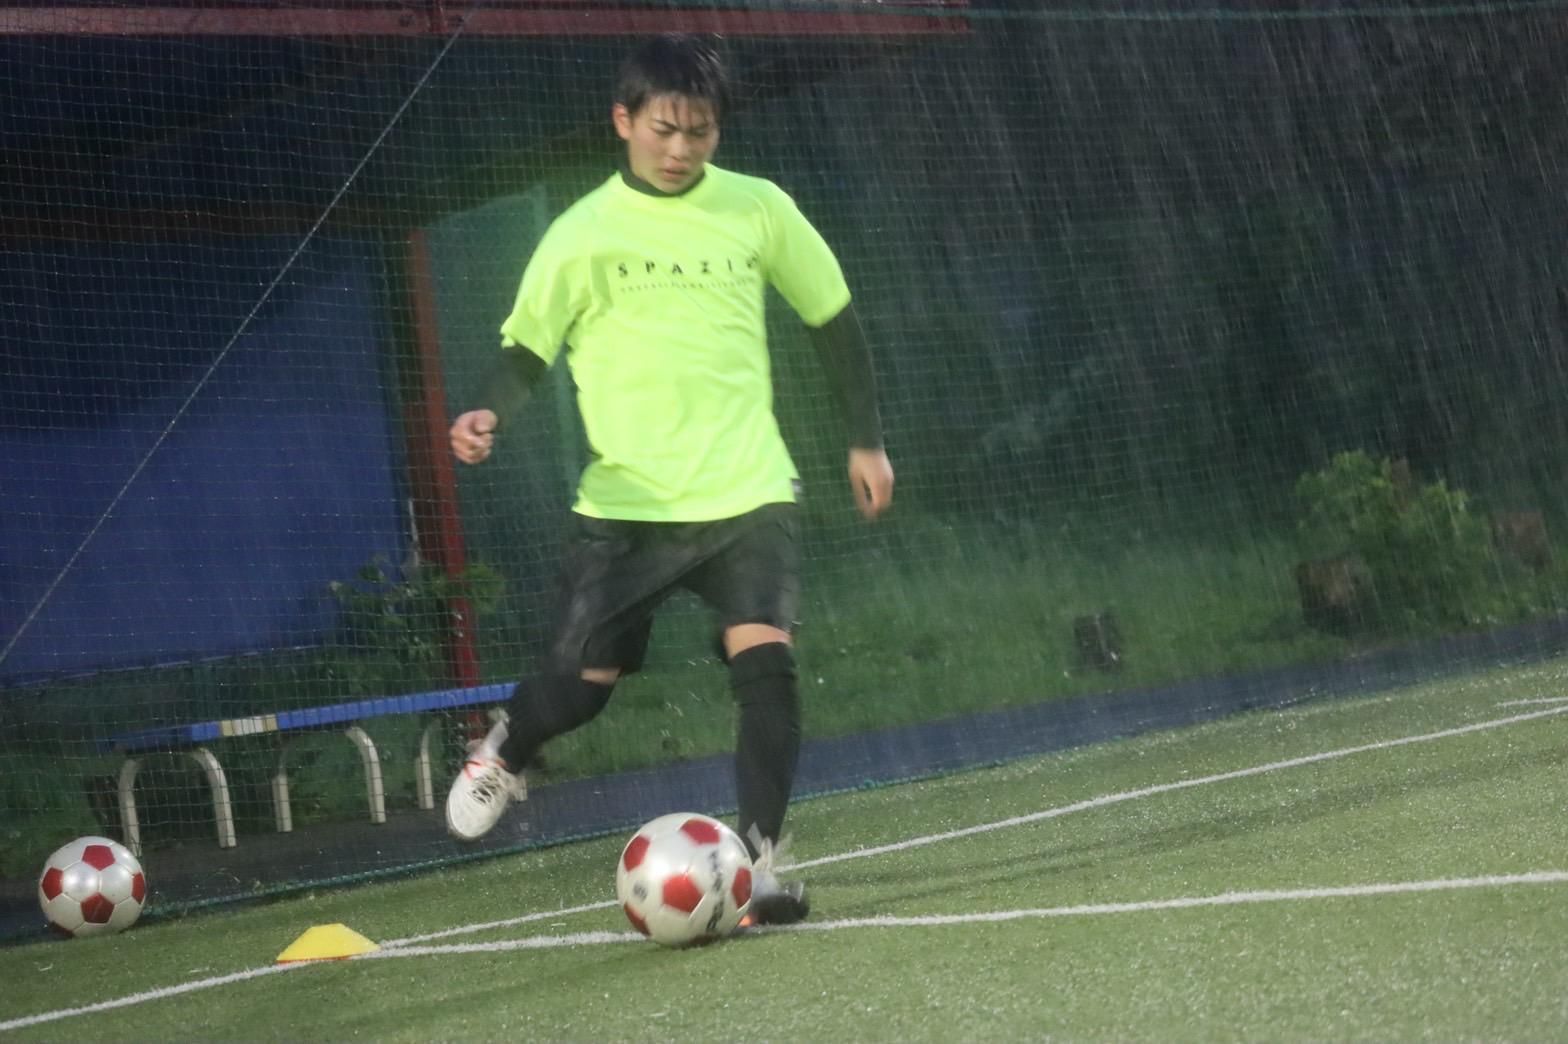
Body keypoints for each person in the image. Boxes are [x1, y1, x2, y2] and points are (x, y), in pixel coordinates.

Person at [443, 33, 893, 926]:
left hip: (746, 487)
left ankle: (758, 864)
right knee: (580, 690)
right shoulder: (581, 233)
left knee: (766, 664)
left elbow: (834, 319)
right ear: (623, 122)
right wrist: (486, 409)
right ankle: (505, 746)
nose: (682, 149)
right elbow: (525, 352)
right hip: (630, 507)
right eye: (664, 129)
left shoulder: (758, 208)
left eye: (701, 132)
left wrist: (865, 442)